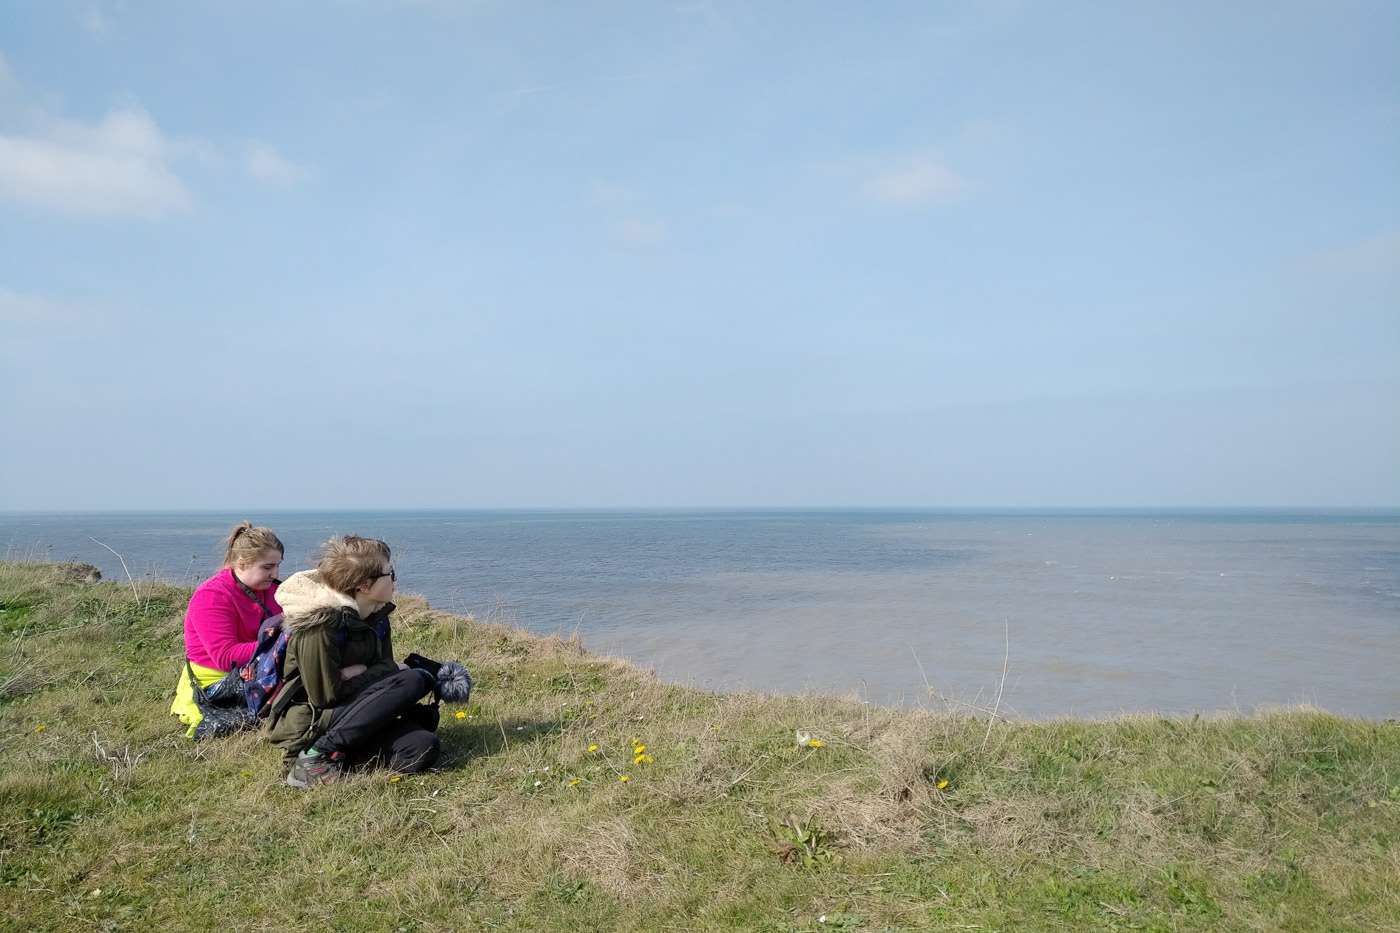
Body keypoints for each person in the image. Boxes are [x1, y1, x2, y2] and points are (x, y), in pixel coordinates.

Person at [266, 535, 440, 787]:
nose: (395, 579)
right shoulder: (319, 625)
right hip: (313, 723)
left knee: (424, 747)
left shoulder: (377, 617)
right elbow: (325, 696)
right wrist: (383, 670)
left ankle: (342, 756)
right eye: (390, 573)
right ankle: (314, 758)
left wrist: (365, 672)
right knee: (412, 679)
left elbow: (383, 681)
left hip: (353, 714)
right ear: (364, 585)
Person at [170, 522, 284, 737]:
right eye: (267, 567)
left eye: (278, 565)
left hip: (261, 668)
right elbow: (226, 657)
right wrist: (283, 644)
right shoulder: (212, 595)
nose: (274, 574)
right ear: (241, 563)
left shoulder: (274, 589)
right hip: (217, 680)